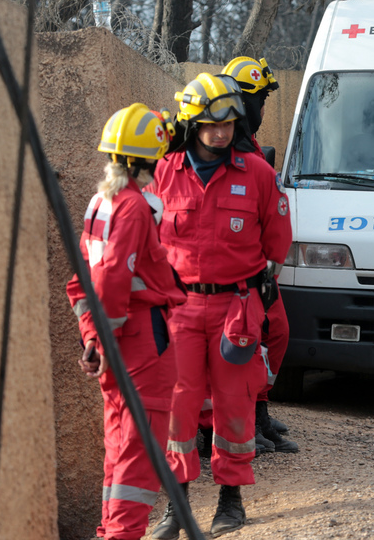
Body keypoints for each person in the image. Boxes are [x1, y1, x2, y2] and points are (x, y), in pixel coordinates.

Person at [149, 72, 292, 539]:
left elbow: (276, 243)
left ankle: (231, 500)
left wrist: (257, 291)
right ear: (191, 124)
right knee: (179, 407)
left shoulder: (259, 175)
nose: (221, 132)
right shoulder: (164, 171)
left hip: (237, 308)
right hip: (179, 308)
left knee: (234, 406)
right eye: (211, 125)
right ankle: (178, 504)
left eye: (229, 124)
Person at [66, 104, 185, 540]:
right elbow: (114, 278)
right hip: (140, 344)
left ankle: (109, 533)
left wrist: (93, 339)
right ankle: (121, 535)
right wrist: (106, 338)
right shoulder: (134, 207)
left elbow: (81, 281)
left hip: (115, 344)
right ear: (148, 160)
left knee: (119, 448)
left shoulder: (101, 203)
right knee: (140, 456)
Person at [222, 56, 297, 455]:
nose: (266, 110)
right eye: (261, 101)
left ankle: (259, 407)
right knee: (248, 341)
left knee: (276, 332)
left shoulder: (249, 145)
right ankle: (246, 417)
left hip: (258, 266)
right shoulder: (224, 145)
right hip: (231, 271)